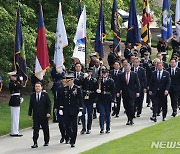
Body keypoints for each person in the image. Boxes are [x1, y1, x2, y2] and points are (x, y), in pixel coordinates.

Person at [59, 74, 83, 147]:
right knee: (67, 125)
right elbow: (62, 99)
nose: (67, 82)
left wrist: (80, 109)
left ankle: (73, 140)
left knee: (74, 126)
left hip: (74, 109)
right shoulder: (65, 89)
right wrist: (61, 108)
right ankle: (69, 136)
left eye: (68, 81)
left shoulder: (77, 88)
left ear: (72, 80)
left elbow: (80, 99)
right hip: (66, 109)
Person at [28, 82, 51, 148]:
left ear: (41, 87)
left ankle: (46, 141)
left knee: (45, 129)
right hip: (36, 115)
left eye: (38, 86)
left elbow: (49, 104)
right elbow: (31, 105)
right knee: (35, 129)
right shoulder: (32, 95)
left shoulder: (45, 95)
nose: (37, 88)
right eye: (36, 86)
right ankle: (35, 142)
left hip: (44, 115)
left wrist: (48, 112)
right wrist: (29, 114)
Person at [96, 68, 115, 134]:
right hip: (101, 99)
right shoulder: (99, 81)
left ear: (107, 74)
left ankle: (108, 128)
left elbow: (113, 91)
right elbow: (96, 91)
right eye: (103, 73)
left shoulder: (111, 81)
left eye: (105, 73)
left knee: (107, 114)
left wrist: (113, 101)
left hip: (108, 99)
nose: (104, 74)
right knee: (102, 114)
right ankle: (102, 128)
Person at [80, 69, 97, 134]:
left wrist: (95, 101)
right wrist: (83, 78)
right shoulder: (84, 79)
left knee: (90, 114)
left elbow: (95, 92)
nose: (88, 73)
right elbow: (79, 83)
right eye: (87, 72)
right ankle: (83, 127)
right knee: (83, 112)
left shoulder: (94, 80)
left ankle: (89, 127)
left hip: (91, 98)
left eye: (89, 72)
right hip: (84, 97)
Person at [8, 71, 23, 137]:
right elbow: (18, 87)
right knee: (15, 117)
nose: (15, 77)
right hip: (14, 100)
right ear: (11, 77)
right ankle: (14, 132)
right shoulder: (11, 83)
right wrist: (21, 82)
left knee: (16, 117)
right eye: (14, 76)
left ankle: (15, 130)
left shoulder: (15, 83)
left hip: (16, 100)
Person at [54, 77, 67, 143]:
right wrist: (56, 108)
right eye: (63, 81)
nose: (64, 83)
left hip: (67, 108)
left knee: (67, 124)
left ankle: (67, 136)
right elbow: (57, 99)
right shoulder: (60, 89)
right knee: (61, 124)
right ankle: (63, 135)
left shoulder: (69, 89)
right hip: (60, 108)